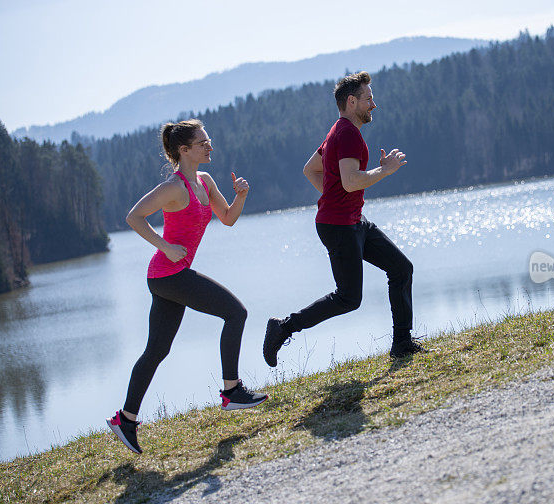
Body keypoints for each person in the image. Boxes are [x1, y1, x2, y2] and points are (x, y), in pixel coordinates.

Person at [107, 119, 267, 455]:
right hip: (168, 274)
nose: (210, 147)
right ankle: (231, 391)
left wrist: (241, 197)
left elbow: (227, 217)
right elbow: (134, 217)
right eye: (203, 143)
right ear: (184, 150)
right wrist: (164, 246)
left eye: (208, 141)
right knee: (236, 312)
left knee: (156, 351)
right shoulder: (173, 188)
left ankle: (125, 420)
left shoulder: (205, 182)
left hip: (169, 277)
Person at [263, 71, 427, 366]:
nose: (373, 104)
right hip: (339, 226)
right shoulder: (347, 133)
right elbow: (351, 182)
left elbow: (311, 170)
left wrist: (335, 195)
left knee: (401, 268)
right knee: (348, 298)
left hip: (352, 221)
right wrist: (384, 171)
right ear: (352, 102)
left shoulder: (337, 131)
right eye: (368, 98)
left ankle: (402, 343)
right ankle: (283, 327)